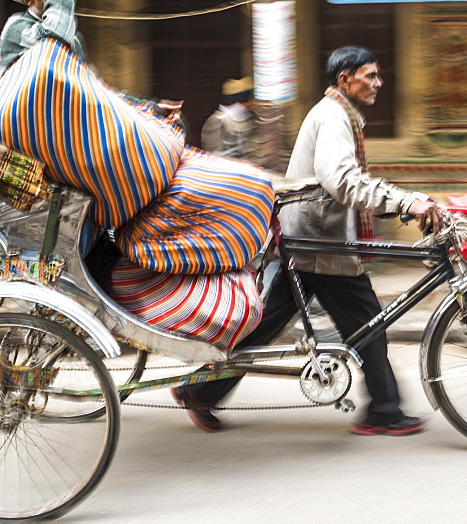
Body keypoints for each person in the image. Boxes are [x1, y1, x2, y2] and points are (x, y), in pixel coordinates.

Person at [174, 45, 443, 436]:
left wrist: (397, 203)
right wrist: (406, 201)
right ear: (344, 79)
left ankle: (199, 389)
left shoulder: (339, 113)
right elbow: (342, 181)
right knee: (368, 323)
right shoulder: (334, 117)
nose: (377, 83)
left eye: (377, 75)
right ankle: (384, 412)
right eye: (370, 75)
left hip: (311, 238)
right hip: (318, 244)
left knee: (266, 324)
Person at [0, 0, 182, 124]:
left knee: (170, 124)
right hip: (29, 122)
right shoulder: (17, 27)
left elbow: (97, 91)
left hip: (68, 121)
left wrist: (149, 107)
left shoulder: (74, 39)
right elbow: (53, 46)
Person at [200, 76, 255, 159]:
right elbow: (213, 153)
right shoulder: (218, 121)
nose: (250, 103)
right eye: (247, 101)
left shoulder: (247, 119)